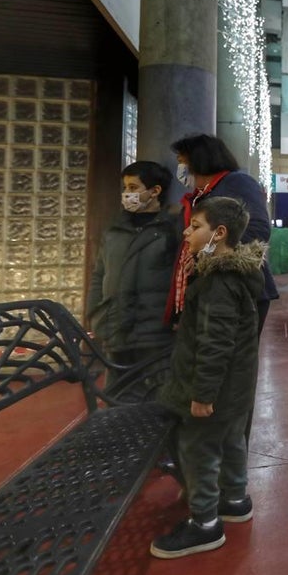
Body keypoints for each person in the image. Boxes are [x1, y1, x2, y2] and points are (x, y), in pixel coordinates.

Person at [151, 197, 266, 559]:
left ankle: (204, 524)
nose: (187, 231)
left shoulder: (217, 282)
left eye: (196, 225)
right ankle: (234, 500)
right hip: (235, 388)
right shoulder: (237, 275)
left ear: (220, 233)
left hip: (213, 389)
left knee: (198, 450)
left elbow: (215, 343)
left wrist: (202, 394)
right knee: (232, 441)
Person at [167, 133, 278, 332]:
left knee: (223, 347)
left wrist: (207, 253)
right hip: (207, 286)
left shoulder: (237, 182)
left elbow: (257, 229)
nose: (180, 168)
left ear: (199, 159)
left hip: (235, 288)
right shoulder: (197, 196)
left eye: (182, 161)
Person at [86, 161, 178, 399]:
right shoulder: (114, 230)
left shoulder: (171, 231)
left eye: (134, 187)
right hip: (116, 331)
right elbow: (99, 275)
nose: (127, 194)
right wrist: (94, 313)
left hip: (155, 334)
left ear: (155, 191)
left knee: (157, 401)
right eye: (125, 187)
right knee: (117, 399)